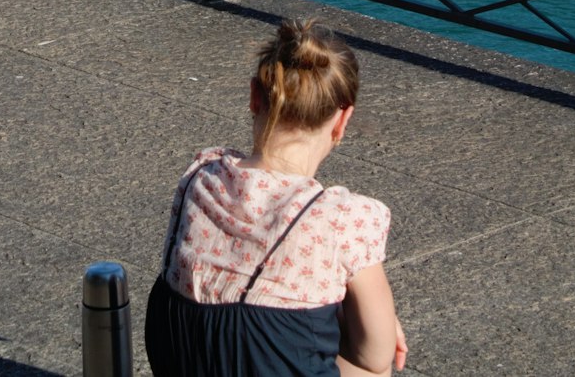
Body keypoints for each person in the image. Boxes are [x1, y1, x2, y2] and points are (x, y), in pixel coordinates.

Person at [145, 19, 407, 377]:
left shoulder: (201, 177)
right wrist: (379, 318)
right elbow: (375, 356)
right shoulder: (343, 219)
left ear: (255, 96)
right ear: (342, 120)